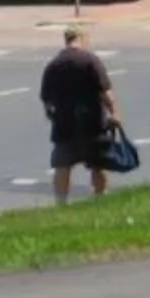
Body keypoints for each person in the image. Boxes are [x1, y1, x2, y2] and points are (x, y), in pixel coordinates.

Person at [41, 23, 119, 203]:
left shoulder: (54, 64)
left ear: (66, 39)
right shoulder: (90, 60)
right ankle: (100, 197)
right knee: (98, 164)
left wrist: (52, 115)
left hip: (64, 123)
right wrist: (114, 113)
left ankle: (61, 202)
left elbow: (46, 99)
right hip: (92, 121)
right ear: (82, 38)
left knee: (62, 165)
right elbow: (105, 91)